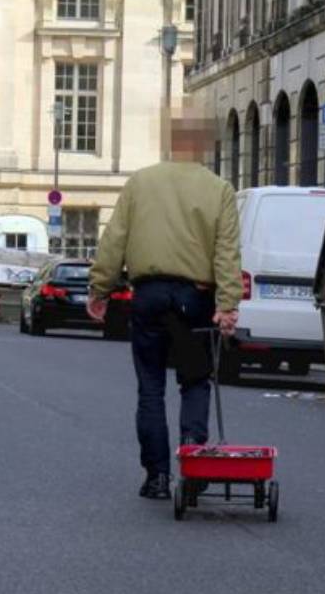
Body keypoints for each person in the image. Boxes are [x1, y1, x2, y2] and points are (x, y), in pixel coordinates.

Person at [87, 108, 242, 501]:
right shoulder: (219, 189)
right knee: (194, 381)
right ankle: (192, 460)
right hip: (196, 297)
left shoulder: (140, 183)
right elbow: (227, 252)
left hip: (149, 294)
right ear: (205, 146)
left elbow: (114, 241)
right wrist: (227, 304)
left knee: (151, 388)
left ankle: (156, 476)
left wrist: (99, 289)